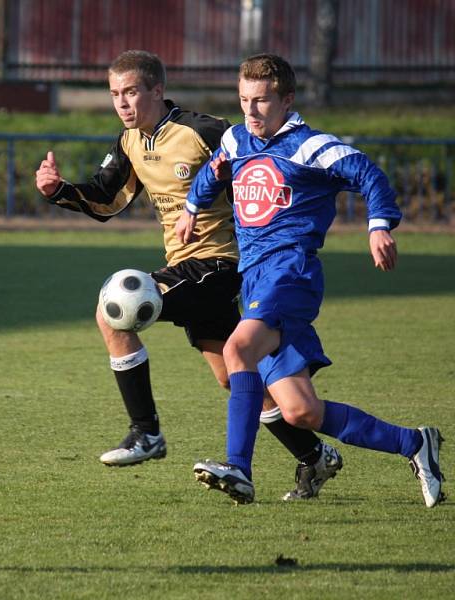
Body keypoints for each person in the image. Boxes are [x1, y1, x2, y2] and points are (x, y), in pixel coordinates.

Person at [35, 49, 344, 500]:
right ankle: (314, 458)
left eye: (132, 92)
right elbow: (106, 199)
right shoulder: (129, 143)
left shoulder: (204, 132)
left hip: (222, 264)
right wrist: (59, 190)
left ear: (157, 90)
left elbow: (261, 157)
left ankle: (146, 432)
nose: (122, 103)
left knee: (113, 309)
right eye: (115, 94)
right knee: (234, 378)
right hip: (188, 268)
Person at [180, 53, 445, 507]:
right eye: (244, 100)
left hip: (290, 271)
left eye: (261, 101)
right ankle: (415, 443)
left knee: (236, 350)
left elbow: (368, 173)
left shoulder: (311, 146)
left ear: (287, 100)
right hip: (256, 279)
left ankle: (239, 468)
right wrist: (192, 207)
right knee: (301, 411)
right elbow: (216, 168)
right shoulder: (237, 138)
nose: (251, 110)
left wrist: (379, 224)